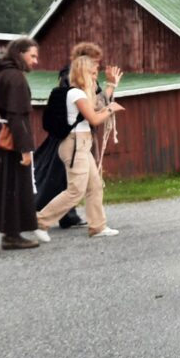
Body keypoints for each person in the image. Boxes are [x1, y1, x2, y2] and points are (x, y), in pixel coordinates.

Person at [34, 55, 124, 241]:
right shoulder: (76, 94)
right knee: (76, 191)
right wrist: (111, 109)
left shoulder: (81, 93)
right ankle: (40, 221)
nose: (94, 77)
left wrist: (111, 86)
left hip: (81, 144)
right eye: (92, 73)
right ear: (83, 73)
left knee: (94, 186)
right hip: (75, 145)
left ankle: (97, 227)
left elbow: (97, 105)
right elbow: (94, 118)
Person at [0, 37, 41, 254]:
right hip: (8, 135)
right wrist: (25, 148)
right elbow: (18, 115)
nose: (36, 61)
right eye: (32, 55)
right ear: (19, 53)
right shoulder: (15, 77)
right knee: (13, 185)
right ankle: (12, 236)